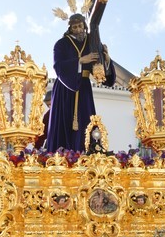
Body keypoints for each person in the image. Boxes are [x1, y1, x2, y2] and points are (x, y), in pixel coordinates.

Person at [46, 13, 116, 153]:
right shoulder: (61, 44)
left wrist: (107, 59)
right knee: (64, 123)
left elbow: (103, 76)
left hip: (84, 88)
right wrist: (80, 61)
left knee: (86, 123)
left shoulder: (92, 43)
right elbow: (58, 66)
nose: (78, 30)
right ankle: (61, 156)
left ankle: (87, 155)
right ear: (70, 28)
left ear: (85, 26)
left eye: (80, 26)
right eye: (75, 27)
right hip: (65, 88)